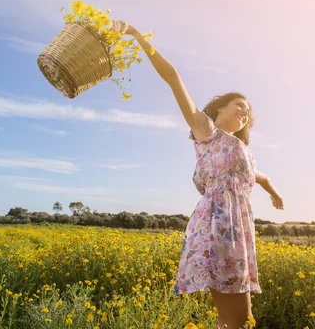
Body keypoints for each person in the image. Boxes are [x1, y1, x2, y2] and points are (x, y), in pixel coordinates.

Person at [115, 21, 285, 329]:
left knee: (234, 318)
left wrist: (274, 193)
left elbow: (259, 176)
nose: (245, 113)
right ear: (219, 109)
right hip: (219, 224)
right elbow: (172, 77)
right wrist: (138, 36)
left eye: (248, 112)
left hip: (237, 229)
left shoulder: (241, 152)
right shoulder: (207, 131)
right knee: (240, 319)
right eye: (239, 106)